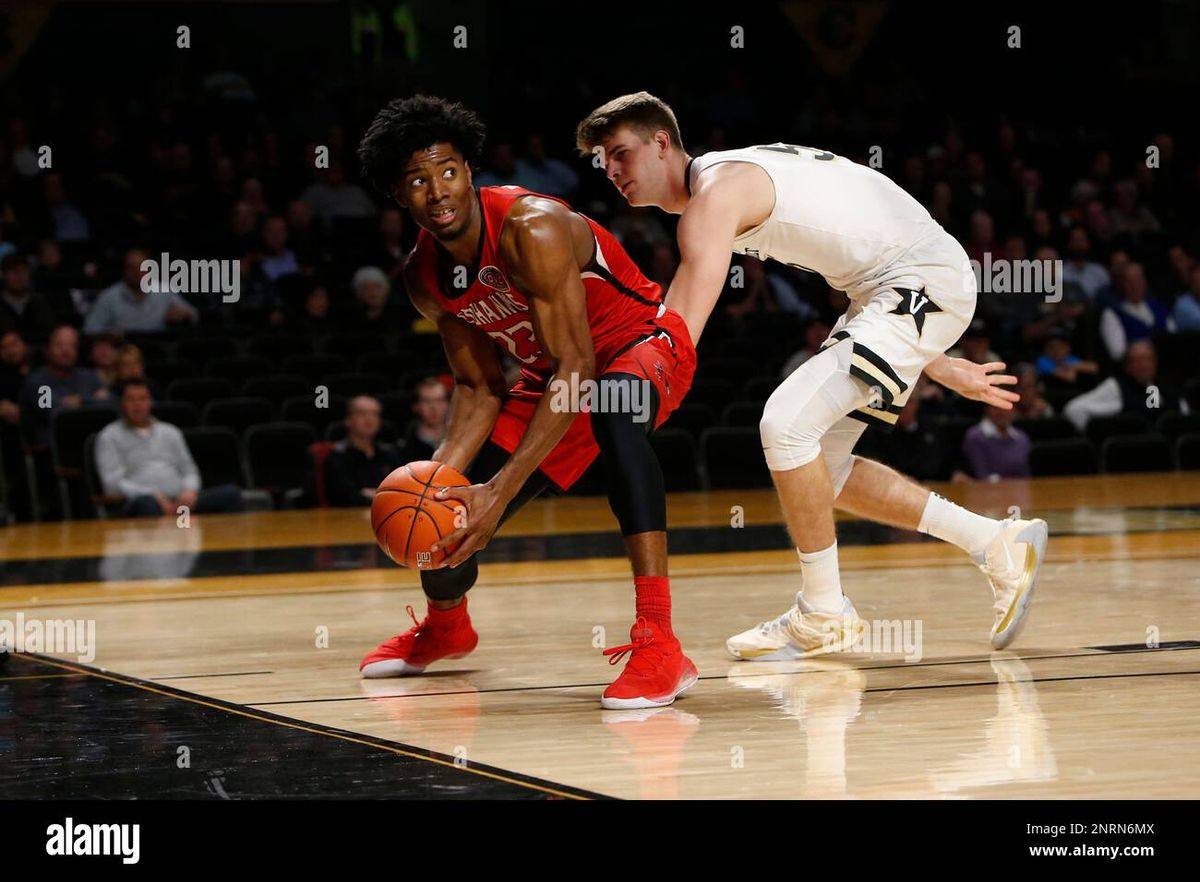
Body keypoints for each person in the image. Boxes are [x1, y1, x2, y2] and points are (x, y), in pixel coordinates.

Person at [576, 91, 1048, 660]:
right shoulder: (732, 177)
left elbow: (678, 326)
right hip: (897, 287)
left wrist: (642, 391)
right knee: (819, 465)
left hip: (915, 279)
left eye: (621, 153)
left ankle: (823, 611)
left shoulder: (716, 196)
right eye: (603, 160)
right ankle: (996, 544)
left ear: (661, 142)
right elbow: (869, 233)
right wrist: (935, 356)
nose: (612, 170)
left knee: (784, 425)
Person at [356, 95, 698, 708]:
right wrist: (439, 481)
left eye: (449, 171)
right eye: (417, 180)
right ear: (398, 195)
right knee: (442, 514)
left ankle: (660, 643)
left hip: (639, 343)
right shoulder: (423, 277)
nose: (438, 191)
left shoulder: (530, 228)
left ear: (470, 169)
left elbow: (580, 365)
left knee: (613, 413)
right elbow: (479, 385)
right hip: (554, 378)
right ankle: (446, 624)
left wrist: (501, 490)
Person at [94, 379, 244, 518]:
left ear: (150, 402)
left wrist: (189, 492)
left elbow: (190, 471)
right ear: (122, 403)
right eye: (131, 400)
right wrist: (153, 495)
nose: (137, 405)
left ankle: (207, 539)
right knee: (148, 504)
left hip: (181, 505)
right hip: (143, 504)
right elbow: (112, 484)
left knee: (231, 494)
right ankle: (170, 538)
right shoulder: (109, 436)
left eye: (142, 399)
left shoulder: (170, 432)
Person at [1063, 340, 1186, 431]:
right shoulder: (1115, 387)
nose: (1144, 365)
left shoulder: (1167, 385)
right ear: (1127, 366)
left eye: (1148, 359)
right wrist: (1099, 435)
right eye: (1137, 361)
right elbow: (1074, 410)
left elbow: (1184, 415)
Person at [84, 248, 199, 334]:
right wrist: (110, 333)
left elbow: (194, 314)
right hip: (123, 355)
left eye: (142, 266)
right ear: (124, 270)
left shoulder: (164, 290)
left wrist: (183, 315)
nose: (137, 272)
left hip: (157, 351)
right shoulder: (109, 297)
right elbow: (90, 330)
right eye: (131, 267)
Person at [324, 395, 404, 507]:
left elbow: (402, 492)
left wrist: (369, 494)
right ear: (348, 420)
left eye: (374, 414)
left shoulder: (389, 453)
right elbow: (345, 497)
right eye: (362, 413)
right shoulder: (338, 456)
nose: (369, 419)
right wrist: (382, 495)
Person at [962, 405, 1032, 481]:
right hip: (987, 490)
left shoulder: (1022, 438)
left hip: (1019, 489)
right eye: (995, 407)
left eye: (1005, 408)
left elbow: (1026, 475)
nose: (1001, 412)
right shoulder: (975, 437)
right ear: (987, 409)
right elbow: (982, 476)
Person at [0, 253, 57, 342]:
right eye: (13, 271)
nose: (19, 276)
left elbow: (49, 334)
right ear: (4, 275)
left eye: (23, 271)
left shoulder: (39, 302)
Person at [403, 376, 449, 461]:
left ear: (447, 404)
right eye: (426, 401)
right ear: (416, 406)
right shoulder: (405, 448)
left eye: (439, 400)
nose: (433, 407)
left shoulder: (458, 440)